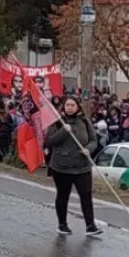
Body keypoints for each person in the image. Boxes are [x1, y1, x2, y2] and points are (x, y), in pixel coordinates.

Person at [44, 96, 101, 237]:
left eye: (72, 105)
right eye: (67, 105)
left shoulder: (84, 121)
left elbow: (94, 140)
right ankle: (62, 224)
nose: (69, 107)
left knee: (86, 195)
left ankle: (90, 225)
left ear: (77, 107)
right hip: (61, 166)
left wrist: (89, 149)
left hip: (82, 166)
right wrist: (64, 131)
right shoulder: (57, 122)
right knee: (63, 195)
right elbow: (50, 141)